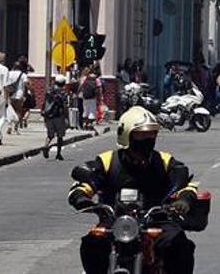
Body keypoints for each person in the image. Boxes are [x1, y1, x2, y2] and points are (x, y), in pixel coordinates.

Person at [68, 107, 198, 274]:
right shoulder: (108, 161)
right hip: (114, 222)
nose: (147, 138)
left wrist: (184, 200)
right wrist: (81, 198)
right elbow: (84, 184)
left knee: (179, 243)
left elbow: (184, 183)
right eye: (141, 134)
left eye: (151, 134)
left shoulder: (163, 161)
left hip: (157, 220)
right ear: (126, 134)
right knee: (92, 243)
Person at [43, 75, 71, 160]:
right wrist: (67, 117)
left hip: (48, 116)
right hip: (59, 116)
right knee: (60, 136)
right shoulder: (63, 93)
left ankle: (46, 146)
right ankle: (58, 154)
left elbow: (45, 103)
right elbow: (65, 106)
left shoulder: (48, 91)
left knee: (50, 135)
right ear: (63, 83)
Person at [7, 57, 30, 133]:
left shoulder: (9, 73)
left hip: (10, 94)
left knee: (10, 110)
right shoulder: (23, 75)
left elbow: (6, 83)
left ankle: (9, 125)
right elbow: (26, 84)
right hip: (19, 94)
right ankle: (16, 128)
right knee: (18, 111)